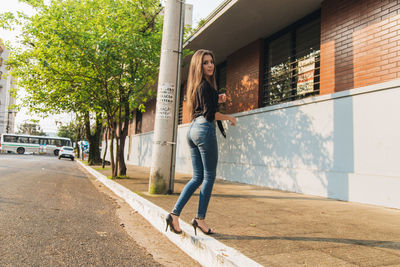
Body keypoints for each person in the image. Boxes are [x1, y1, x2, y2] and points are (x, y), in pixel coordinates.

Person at [165, 49, 236, 235]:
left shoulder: (198, 86)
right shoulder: (205, 86)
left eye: (211, 61)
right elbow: (210, 114)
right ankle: (199, 218)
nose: (210, 65)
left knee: (198, 177)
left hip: (193, 130)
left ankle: (174, 215)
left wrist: (217, 98)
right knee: (209, 176)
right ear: (199, 65)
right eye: (205, 62)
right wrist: (228, 117)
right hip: (204, 130)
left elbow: (205, 107)